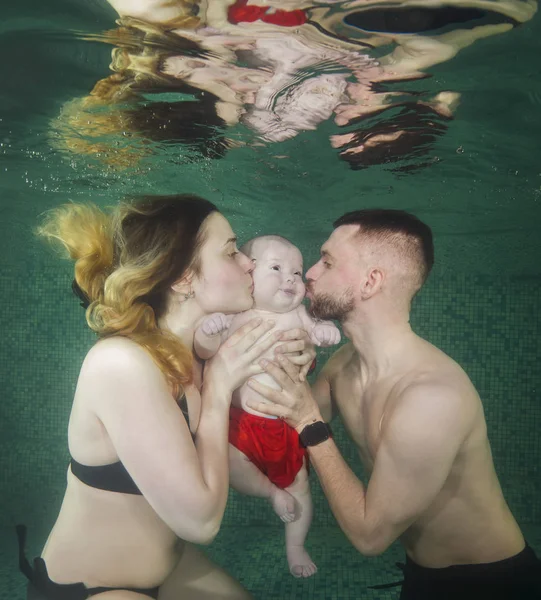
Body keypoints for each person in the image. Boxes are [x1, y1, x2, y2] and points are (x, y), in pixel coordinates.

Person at [17, 194, 315, 600]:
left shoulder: (196, 352)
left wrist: (297, 358)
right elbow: (201, 523)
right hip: (92, 588)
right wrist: (220, 388)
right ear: (183, 279)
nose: (248, 262)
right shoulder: (122, 363)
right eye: (230, 251)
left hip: (170, 567)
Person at [245, 209, 541, 599]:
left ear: (371, 282)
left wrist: (310, 421)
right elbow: (278, 424)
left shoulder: (432, 397)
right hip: (422, 575)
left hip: (492, 582)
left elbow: (370, 537)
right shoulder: (343, 365)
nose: (310, 273)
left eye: (327, 260)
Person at [193, 235, 340, 578]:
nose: (290, 279)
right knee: (229, 463)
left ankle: (295, 546)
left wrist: (325, 330)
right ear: (250, 277)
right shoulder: (235, 313)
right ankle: (271, 493)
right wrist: (208, 329)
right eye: (276, 269)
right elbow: (204, 346)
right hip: (240, 424)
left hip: (282, 427)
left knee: (301, 485)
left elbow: (318, 334)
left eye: (297, 273)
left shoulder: (299, 316)